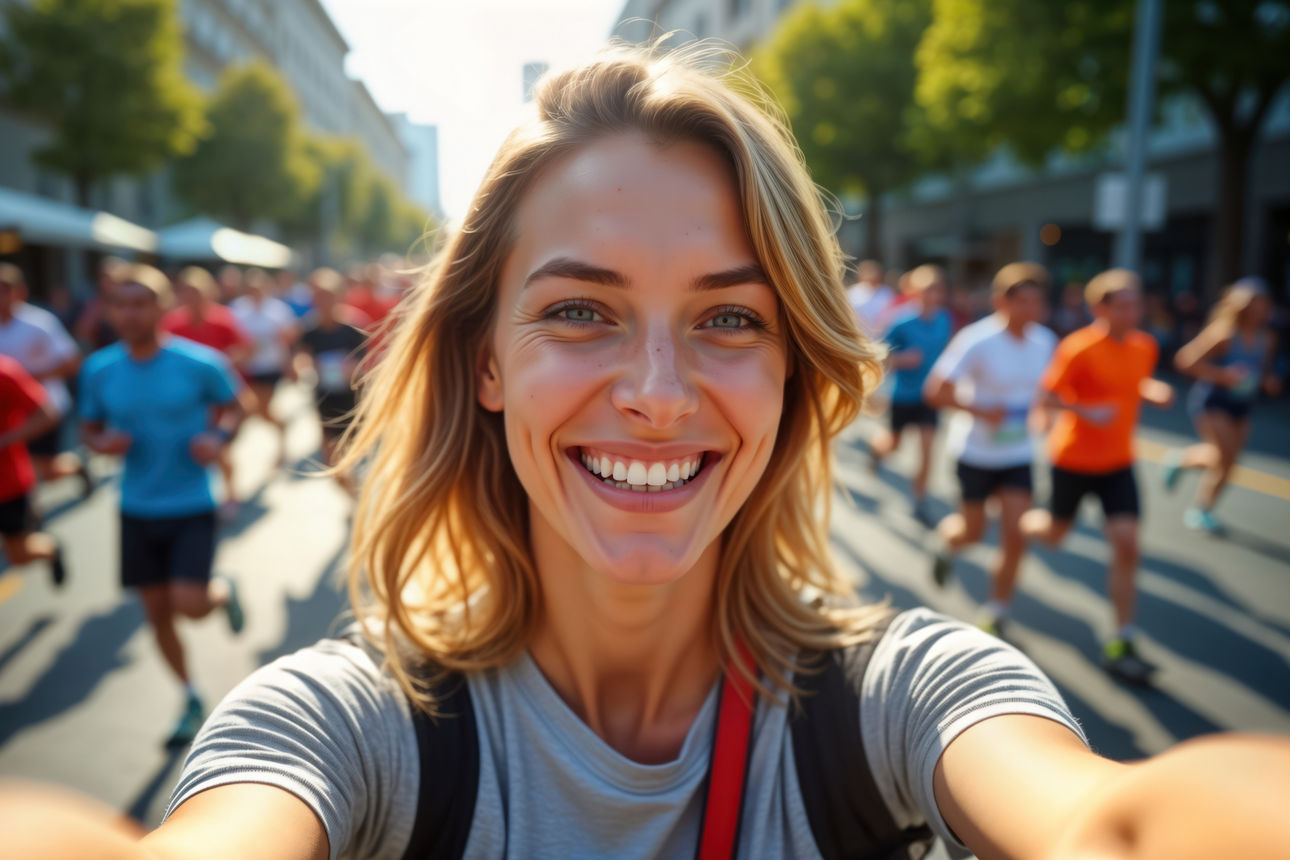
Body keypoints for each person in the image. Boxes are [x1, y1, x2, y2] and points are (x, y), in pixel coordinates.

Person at [5, 45, 1289, 860]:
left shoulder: (910, 698)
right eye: (580, 311)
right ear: (486, 361)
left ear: (792, 373)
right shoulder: (341, 728)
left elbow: (1109, 824)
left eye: (731, 320)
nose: (661, 397)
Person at [79, 263, 249, 747]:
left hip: (191, 502)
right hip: (135, 507)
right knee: (158, 615)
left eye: (140, 304)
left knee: (190, 605)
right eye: (120, 305)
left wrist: (218, 438)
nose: (129, 314)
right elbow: (89, 428)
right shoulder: (99, 369)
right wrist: (102, 443)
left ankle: (221, 591)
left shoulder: (200, 363)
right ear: (110, 311)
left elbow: (238, 406)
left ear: (161, 308)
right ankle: (190, 695)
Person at [1021, 269, 1175, 686]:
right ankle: (1025, 522)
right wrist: (1086, 410)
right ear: (1099, 308)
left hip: (1118, 462)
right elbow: (1047, 397)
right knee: (1054, 536)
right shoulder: (1078, 348)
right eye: (1122, 305)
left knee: (1127, 545)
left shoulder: (1144, 346)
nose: (1131, 312)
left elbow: (1133, 383)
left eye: (1135, 304)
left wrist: (1152, 390)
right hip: (1073, 459)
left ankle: (1122, 639)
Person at [922, 262, 1056, 637]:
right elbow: (936, 392)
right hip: (975, 453)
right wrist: (982, 411)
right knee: (973, 532)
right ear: (1002, 302)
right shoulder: (976, 340)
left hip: (1018, 454)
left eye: (1037, 302)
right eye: (1023, 301)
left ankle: (997, 609)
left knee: (1016, 534)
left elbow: (1048, 392)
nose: (1031, 309)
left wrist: (1045, 415)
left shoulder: (1045, 341)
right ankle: (947, 543)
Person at [1164, 278, 1281, 533]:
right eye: (1253, 304)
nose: (1259, 310)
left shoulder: (1267, 338)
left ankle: (1202, 503)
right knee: (1222, 456)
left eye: (1263, 304)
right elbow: (1185, 360)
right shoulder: (1224, 334)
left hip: (1242, 405)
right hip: (1214, 401)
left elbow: (1261, 371)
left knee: (1229, 462)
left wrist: (1267, 382)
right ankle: (1195, 497)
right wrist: (1223, 376)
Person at [163, 266, 253, 519]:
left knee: (220, 448)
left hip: (219, 397)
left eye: (196, 292)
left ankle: (231, 493)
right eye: (186, 292)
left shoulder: (223, 319)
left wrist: (221, 365)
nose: (191, 298)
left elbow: (246, 348)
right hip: (185, 398)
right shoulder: (172, 322)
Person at [867, 264, 952, 525]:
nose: (933, 295)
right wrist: (903, 359)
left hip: (929, 397)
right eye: (927, 289)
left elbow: (947, 353)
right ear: (915, 291)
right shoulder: (900, 320)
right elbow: (879, 356)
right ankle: (876, 450)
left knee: (928, 449)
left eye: (937, 289)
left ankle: (920, 500)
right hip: (902, 395)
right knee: (894, 445)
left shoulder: (943, 319)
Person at [0, 263, 91, 494]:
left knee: (44, 469)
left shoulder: (40, 322)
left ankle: (76, 466)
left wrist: (26, 380)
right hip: (8, 413)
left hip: (44, 407)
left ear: (19, 292)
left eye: (4, 290)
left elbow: (72, 361)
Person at [294, 267, 367, 499]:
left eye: (327, 295)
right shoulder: (309, 329)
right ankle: (353, 497)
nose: (323, 301)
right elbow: (300, 356)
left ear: (338, 296)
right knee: (331, 459)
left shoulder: (353, 326)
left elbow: (371, 360)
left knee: (355, 456)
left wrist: (354, 369)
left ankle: (361, 497)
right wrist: (302, 366)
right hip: (325, 398)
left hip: (353, 399)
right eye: (318, 296)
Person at [0, 355, 67, 587]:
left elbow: (46, 415)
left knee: (19, 556)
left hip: (7, 485)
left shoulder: (5, 372)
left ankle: (51, 549)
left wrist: (4, 441)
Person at [230, 268, 299, 467]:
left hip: (270, 367)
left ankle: (281, 434)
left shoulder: (278, 310)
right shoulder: (238, 309)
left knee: (259, 409)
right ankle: (280, 429)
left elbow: (290, 337)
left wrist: (290, 364)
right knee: (253, 410)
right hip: (246, 369)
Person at [845, 258, 894, 339]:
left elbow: (892, 315)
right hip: (859, 336)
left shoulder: (887, 292)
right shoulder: (852, 293)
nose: (871, 276)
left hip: (883, 337)